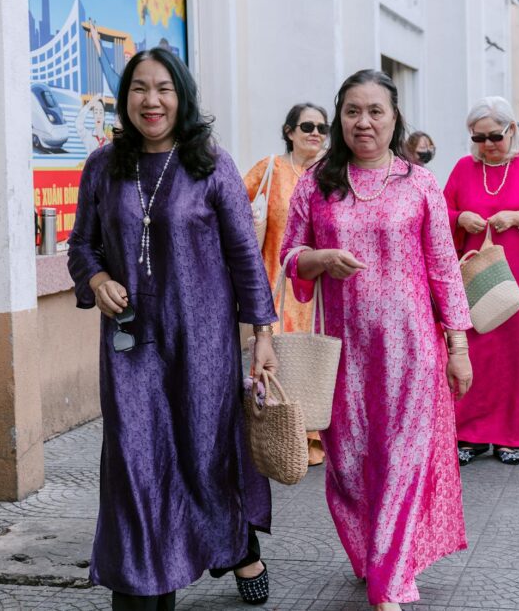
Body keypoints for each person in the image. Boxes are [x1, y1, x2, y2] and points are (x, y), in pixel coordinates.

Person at [67, 48, 276, 610]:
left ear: (181, 96)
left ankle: (237, 545)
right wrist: (97, 278)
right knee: (135, 464)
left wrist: (262, 335)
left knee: (201, 460)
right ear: (125, 98)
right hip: (130, 347)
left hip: (202, 345)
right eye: (139, 89)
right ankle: (143, 588)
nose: (151, 100)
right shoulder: (103, 166)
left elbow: (243, 256)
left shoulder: (210, 164)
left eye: (163, 88)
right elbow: (81, 245)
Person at [279, 69, 473, 610]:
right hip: (344, 354)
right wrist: (317, 259)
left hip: (412, 349)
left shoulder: (419, 183)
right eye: (352, 112)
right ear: (340, 117)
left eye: (375, 112)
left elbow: (443, 268)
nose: (363, 123)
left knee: (402, 461)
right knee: (348, 465)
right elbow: (289, 256)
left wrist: (457, 347)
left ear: (394, 118)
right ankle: (375, 553)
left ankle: (388, 582)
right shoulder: (316, 183)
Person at [444, 96, 519, 466]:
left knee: (518, 355)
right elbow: (439, 214)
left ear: (512, 131)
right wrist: (460, 218)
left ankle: (513, 435)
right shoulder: (464, 168)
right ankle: (470, 433)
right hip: (474, 279)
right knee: (475, 351)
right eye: (478, 138)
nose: (487, 146)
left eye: (494, 137)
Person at [244, 102, 329, 466]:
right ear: (290, 131)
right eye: (307, 126)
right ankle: (277, 432)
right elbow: (234, 209)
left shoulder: (332, 175)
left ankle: (314, 433)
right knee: (276, 358)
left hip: (321, 288)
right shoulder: (271, 169)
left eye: (322, 128)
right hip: (276, 284)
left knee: (316, 359)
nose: (315, 133)